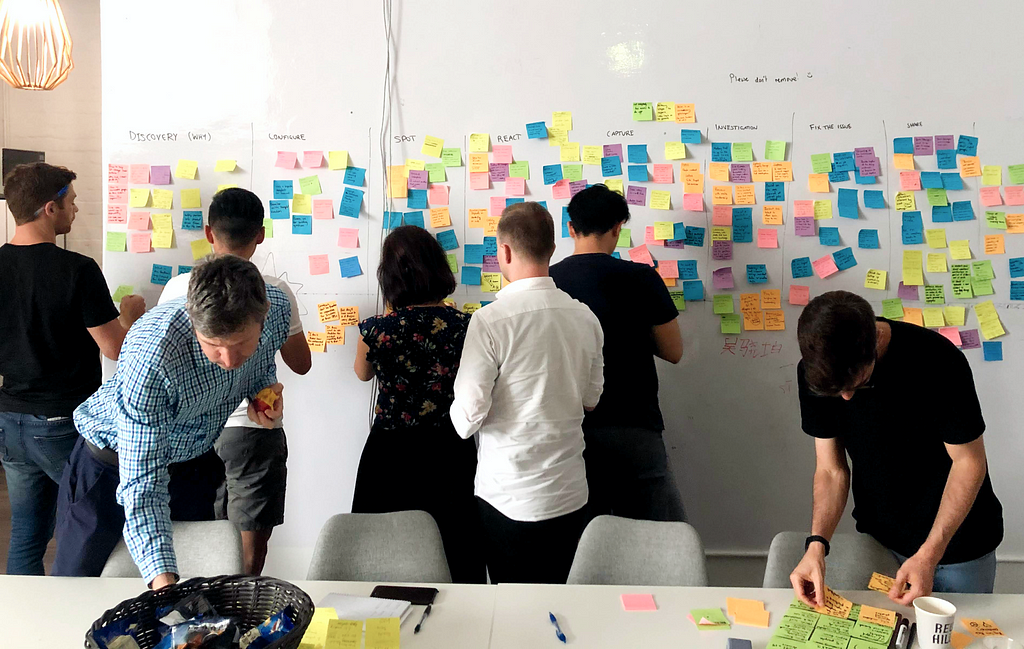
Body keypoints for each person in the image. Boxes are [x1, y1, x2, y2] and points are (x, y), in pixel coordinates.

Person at [53, 254, 291, 587]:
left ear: (263, 316)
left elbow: (261, 363)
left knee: (197, 579)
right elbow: (143, 485)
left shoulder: (277, 306)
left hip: (192, 458)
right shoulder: (153, 352)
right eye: (213, 346)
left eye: (240, 344)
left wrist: (262, 393)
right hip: (112, 464)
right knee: (79, 586)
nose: (229, 360)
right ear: (193, 323)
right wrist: (164, 590)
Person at [790, 291, 1003, 606]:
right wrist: (817, 545)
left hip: (958, 547)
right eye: (837, 391)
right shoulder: (821, 374)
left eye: (857, 385)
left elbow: (969, 462)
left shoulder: (936, 361)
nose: (846, 398)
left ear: (874, 341)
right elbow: (831, 470)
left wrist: (929, 554)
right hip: (881, 539)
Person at [0, 163, 145, 575]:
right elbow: (115, 348)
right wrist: (130, 316)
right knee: (82, 529)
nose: (76, 210)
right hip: (64, 421)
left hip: (10, 419)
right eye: (73, 202)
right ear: (50, 208)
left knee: (26, 534)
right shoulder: (77, 270)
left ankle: (20, 628)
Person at [158, 187, 311, 575]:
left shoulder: (178, 287)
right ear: (260, 234)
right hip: (251, 427)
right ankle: (242, 613)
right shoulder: (274, 292)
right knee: (249, 547)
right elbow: (301, 363)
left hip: (190, 430)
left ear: (209, 233)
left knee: (193, 536)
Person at [450, 202, 604, 584]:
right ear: (552, 249)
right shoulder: (585, 317)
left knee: (511, 613)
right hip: (570, 493)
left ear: (503, 251)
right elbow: (592, 399)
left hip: (507, 497)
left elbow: (466, 421)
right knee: (561, 610)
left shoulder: (489, 322)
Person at [352, 225, 484, 583]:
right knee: (454, 547)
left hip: (390, 451)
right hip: (448, 447)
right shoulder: (465, 325)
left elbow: (362, 373)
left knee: (382, 550)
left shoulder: (378, 328)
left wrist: (389, 314)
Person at [550, 184, 686, 522]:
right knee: (651, 537)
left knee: (582, 540)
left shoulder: (548, 281)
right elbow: (673, 351)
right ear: (617, 228)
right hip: (633, 426)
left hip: (567, 429)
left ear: (570, 228)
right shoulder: (641, 278)